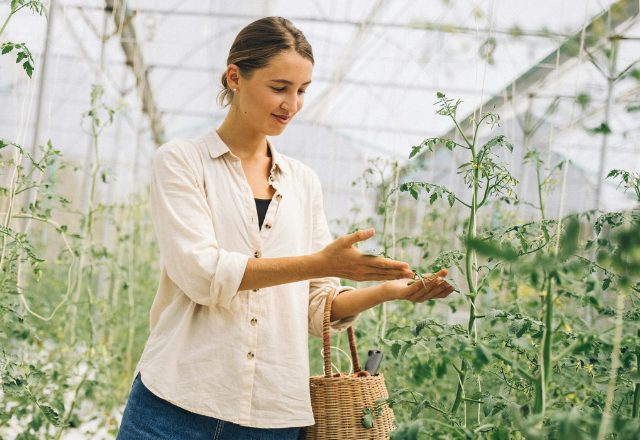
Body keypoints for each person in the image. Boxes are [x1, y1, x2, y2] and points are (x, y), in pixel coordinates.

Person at [116, 16, 455, 440]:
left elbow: (315, 306)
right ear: (234, 77)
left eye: (302, 91)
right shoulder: (182, 162)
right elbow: (202, 274)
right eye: (279, 87)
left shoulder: (302, 182)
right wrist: (319, 263)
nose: (292, 104)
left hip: (274, 417)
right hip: (175, 403)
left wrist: (386, 292)